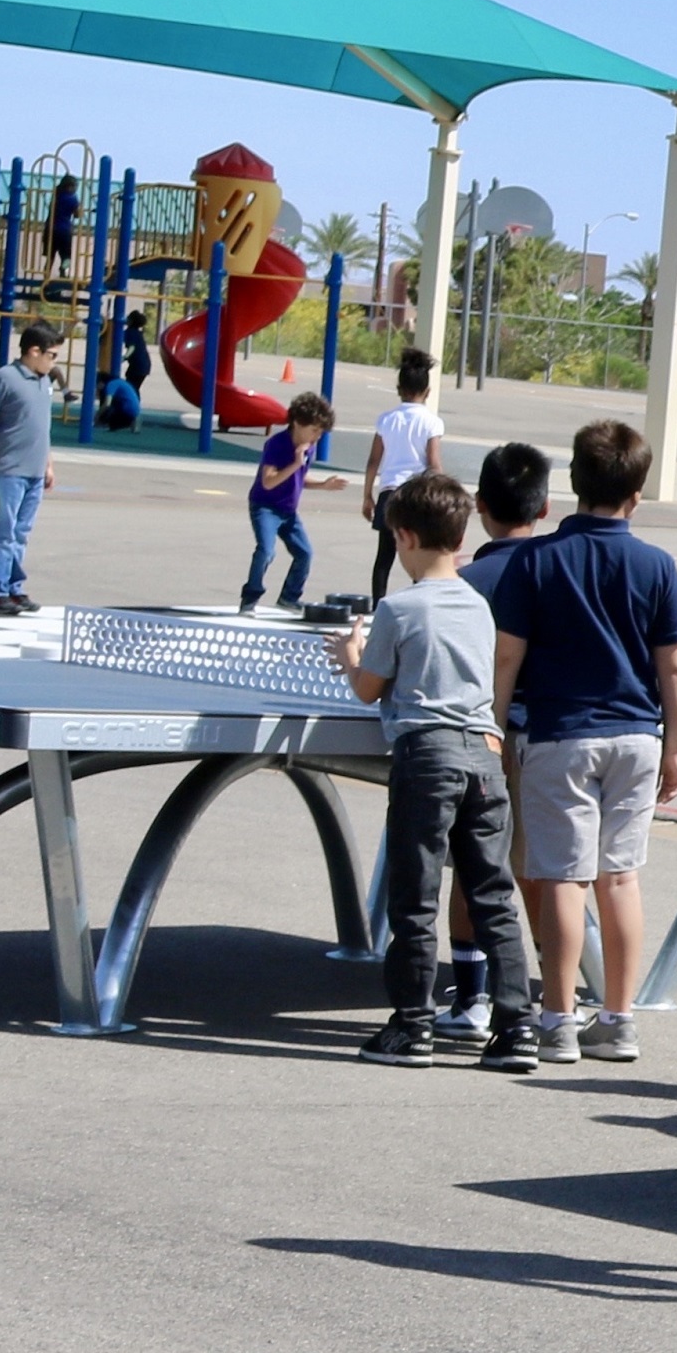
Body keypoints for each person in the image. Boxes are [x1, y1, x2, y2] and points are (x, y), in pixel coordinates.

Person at [486, 421, 677, 1067]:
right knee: (621, 877)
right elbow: (675, 664)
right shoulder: (657, 565)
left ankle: (556, 1019)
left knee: (563, 880)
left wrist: (494, 725)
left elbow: (506, 656)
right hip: (635, 733)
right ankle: (619, 1016)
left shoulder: (535, 561)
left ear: (573, 484)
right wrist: (676, 745)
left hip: (561, 735)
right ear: (637, 493)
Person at [321, 473, 539, 1074]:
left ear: (406, 537)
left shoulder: (398, 606)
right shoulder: (478, 604)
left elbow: (370, 690)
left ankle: (412, 1025)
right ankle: (517, 1026)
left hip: (428, 755)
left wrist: (351, 658)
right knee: (493, 894)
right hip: (483, 759)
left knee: (415, 896)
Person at [430, 442, 559, 1043]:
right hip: (555, 735)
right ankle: (546, 991)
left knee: (475, 867)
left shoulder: (467, 580)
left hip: (482, 734)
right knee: (542, 871)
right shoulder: (560, 573)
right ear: (546, 507)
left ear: (479, 506)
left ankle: (472, 995)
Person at [0, 320, 61, 616]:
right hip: (7, 469)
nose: (53, 361)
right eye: (51, 355)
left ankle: (13, 586)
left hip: (33, 471)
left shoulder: (45, 381)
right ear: (34, 351)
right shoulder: (6, 378)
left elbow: (41, 427)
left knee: (21, 533)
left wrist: (48, 463)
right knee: (2, 532)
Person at [242, 393, 350, 613]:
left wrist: (323, 485)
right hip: (264, 507)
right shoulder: (277, 444)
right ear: (298, 423)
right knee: (266, 550)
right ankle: (250, 598)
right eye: (314, 431)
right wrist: (295, 463)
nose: (317, 437)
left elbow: (299, 478)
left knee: (304, 553)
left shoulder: (308, 446)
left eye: (321, 432)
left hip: (288, 511)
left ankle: (289, 598)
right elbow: (269, 481)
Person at [364, 349, 445, 599]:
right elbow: (432, 462)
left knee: (384, 556)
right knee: (420, 555)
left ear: (399, 389)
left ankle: (378, 607)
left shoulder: (386, 419)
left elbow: (374, 460)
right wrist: (441, 490)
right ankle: (418, 602)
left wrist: (367, 495)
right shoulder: (432, 422)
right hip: (416, 494)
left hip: (390, 494)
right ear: (428, 392)